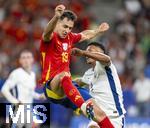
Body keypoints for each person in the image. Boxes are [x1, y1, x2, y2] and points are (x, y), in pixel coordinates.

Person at [40, 4, 114, 128]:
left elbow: (85, 35)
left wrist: (98, 31)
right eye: (64, 26)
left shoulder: (69, 37)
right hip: (52, 87)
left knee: (100, 114)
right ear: (57, 23)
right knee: (64, 75)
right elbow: (46, 33)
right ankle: (83, 106)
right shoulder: (50, 39)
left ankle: (84, 108)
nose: (67, 30)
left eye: (70, 28)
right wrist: (55, 17)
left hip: (69, 88)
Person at [72, 42, 126, 128]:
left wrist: (83, 52)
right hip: (96, 118)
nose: (87, 54)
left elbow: (107, 59)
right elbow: (78, 82)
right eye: (86, 51)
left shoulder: (105, 65)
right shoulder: (88, 73)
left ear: (100, 52)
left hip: (113, 117)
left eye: (90, 51)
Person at [1, 50, 45, 128]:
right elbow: (4, 90)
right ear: (20, 61)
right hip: (18, 110)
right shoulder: (16, 73)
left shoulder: (32, 75)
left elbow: (30, 91)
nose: (26, 60)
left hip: (29, 109)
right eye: (23, 58)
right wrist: (15, 102)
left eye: (28, 57)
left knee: (36, 124)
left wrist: (39, 96)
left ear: (32, 60)